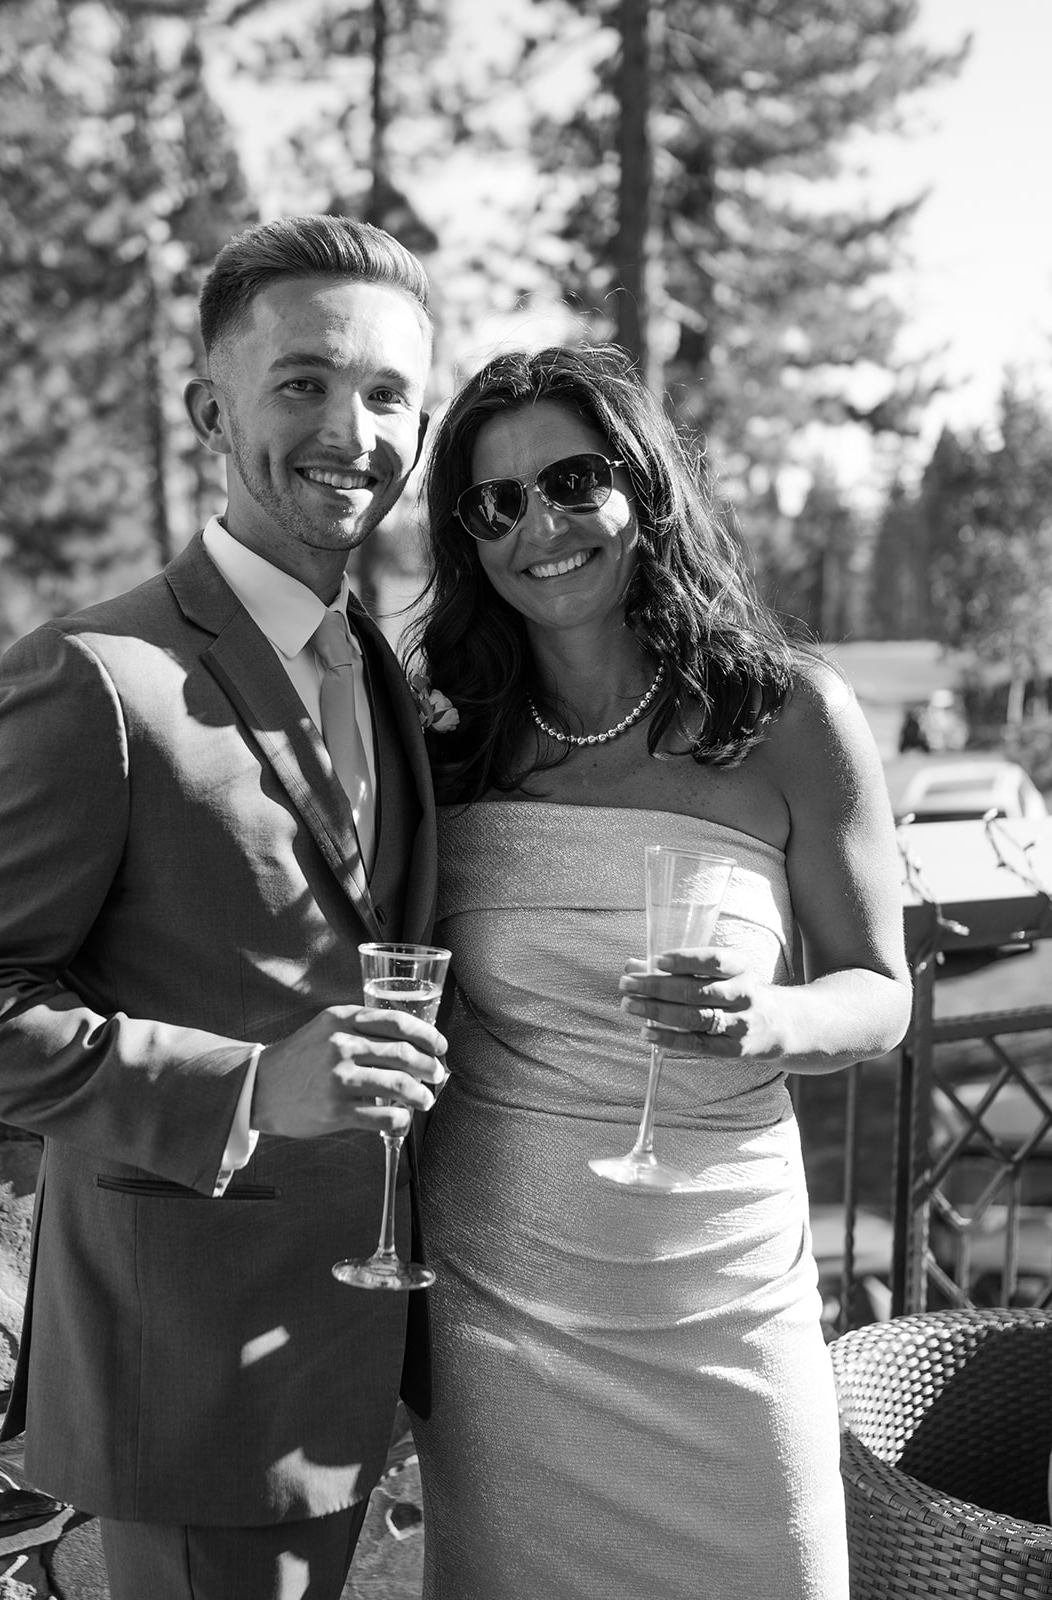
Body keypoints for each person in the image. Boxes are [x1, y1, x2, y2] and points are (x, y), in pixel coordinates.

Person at [0, 214, 447, 1600]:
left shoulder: (377, 667)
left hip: (368, 1367)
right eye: (301, 382)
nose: (350, 430)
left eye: (387, 397)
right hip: (194, 1376)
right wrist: (250, 1087)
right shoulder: (92, 678)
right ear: (209, 406)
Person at [405, 343, 912, 1600]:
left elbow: (879, 992)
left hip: (721, 1285)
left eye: (573, 480)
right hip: (505, 1295)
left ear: (643, 485)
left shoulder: (789, 714)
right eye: (496, 501)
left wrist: (771, 1016)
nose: (540, 526)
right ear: (467, 538)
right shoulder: (449, 736)